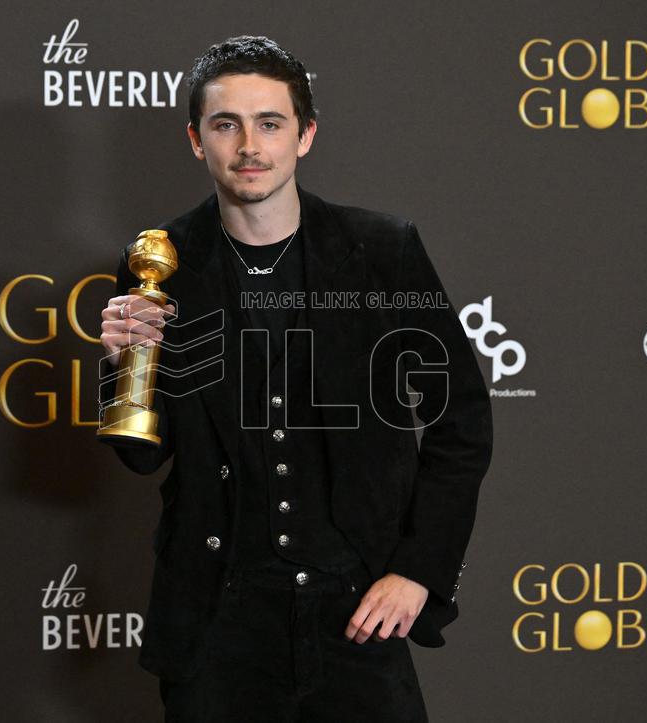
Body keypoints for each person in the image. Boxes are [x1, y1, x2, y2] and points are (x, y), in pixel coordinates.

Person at [99, 35, 492, 722]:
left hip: (356, 613)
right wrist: (119, 368)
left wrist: (419, 570)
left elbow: (461, 422)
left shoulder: (381, 252)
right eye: (226, 124)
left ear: (305, 135)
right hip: (218, 622)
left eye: (270, 122)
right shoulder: (160, 261)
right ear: (197, 139)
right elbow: (142, 454)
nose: (249, 144)